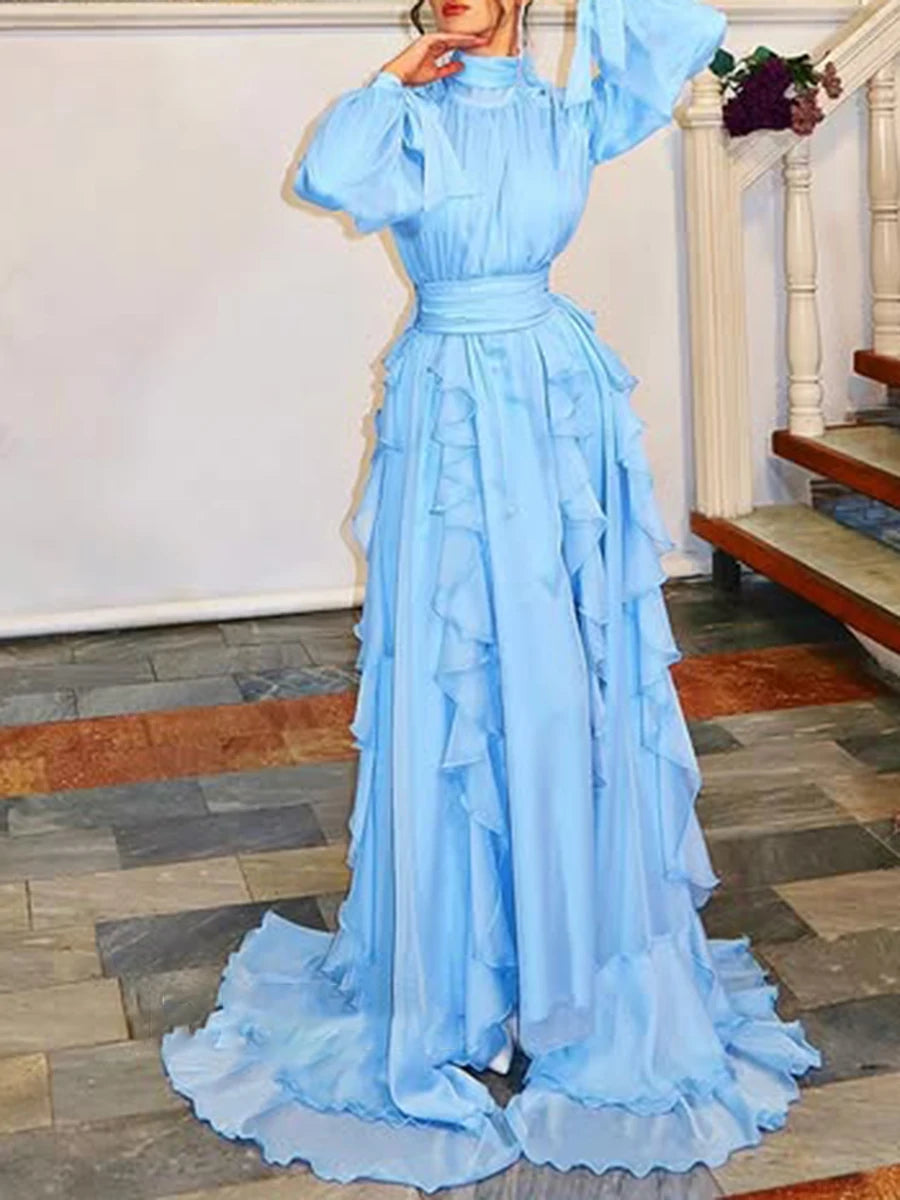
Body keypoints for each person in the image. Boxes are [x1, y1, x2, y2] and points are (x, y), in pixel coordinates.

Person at [160, 0, 822, 1191]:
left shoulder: (572, 116)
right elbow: (328, 171)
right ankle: (458, 977)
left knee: (564, 676)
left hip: (552, 399)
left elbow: (666, 36)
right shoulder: (405, 119)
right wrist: (411, 63)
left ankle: (573, 962)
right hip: (451, 413)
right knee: (460, 674)